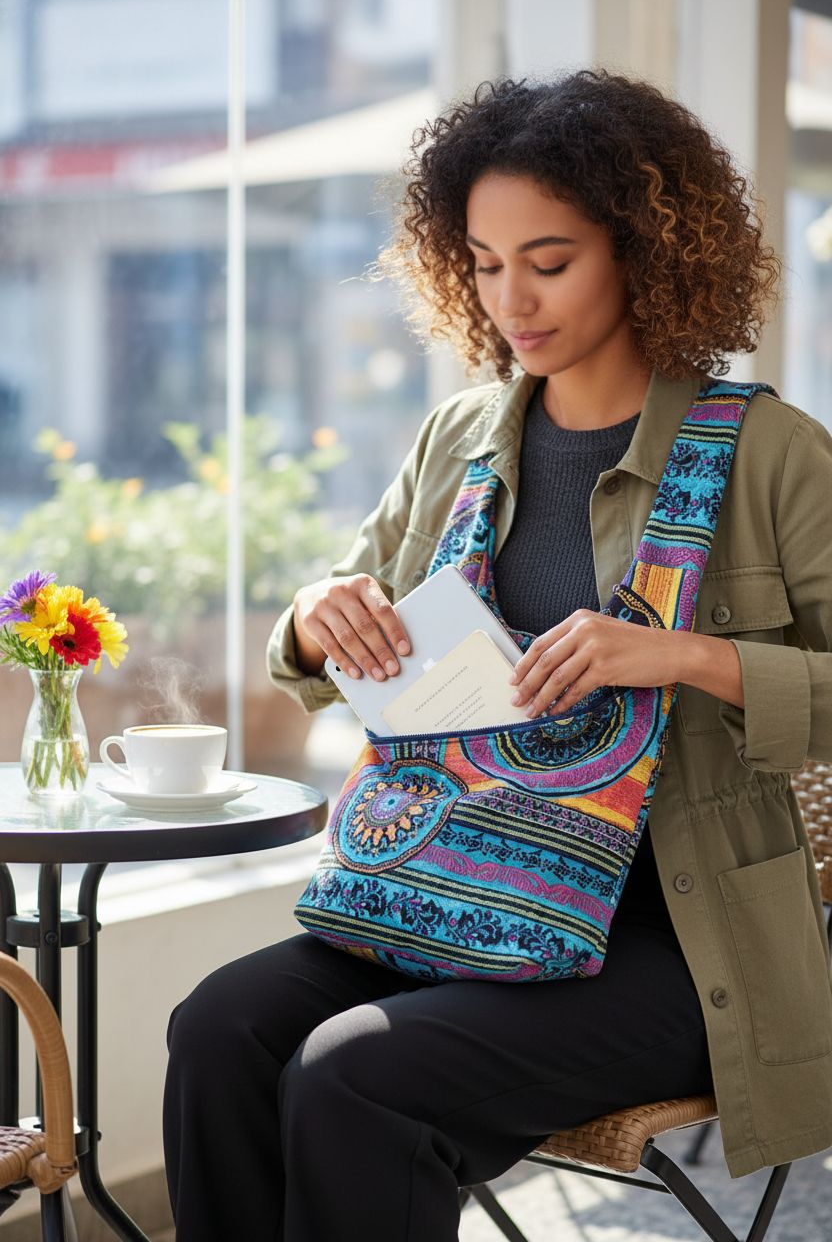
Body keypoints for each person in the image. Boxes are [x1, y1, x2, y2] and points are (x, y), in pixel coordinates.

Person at [163, 70, 832, 1241]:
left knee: (352, 1077)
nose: (509, 297)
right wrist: (322, 608)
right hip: (451, 887)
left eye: (549, 259)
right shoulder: (459, 437)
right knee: (218, 1026)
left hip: (672, 937)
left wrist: (685, 658)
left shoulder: (774, 455)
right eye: (480, 260)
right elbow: (321, 647)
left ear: (644, 249)